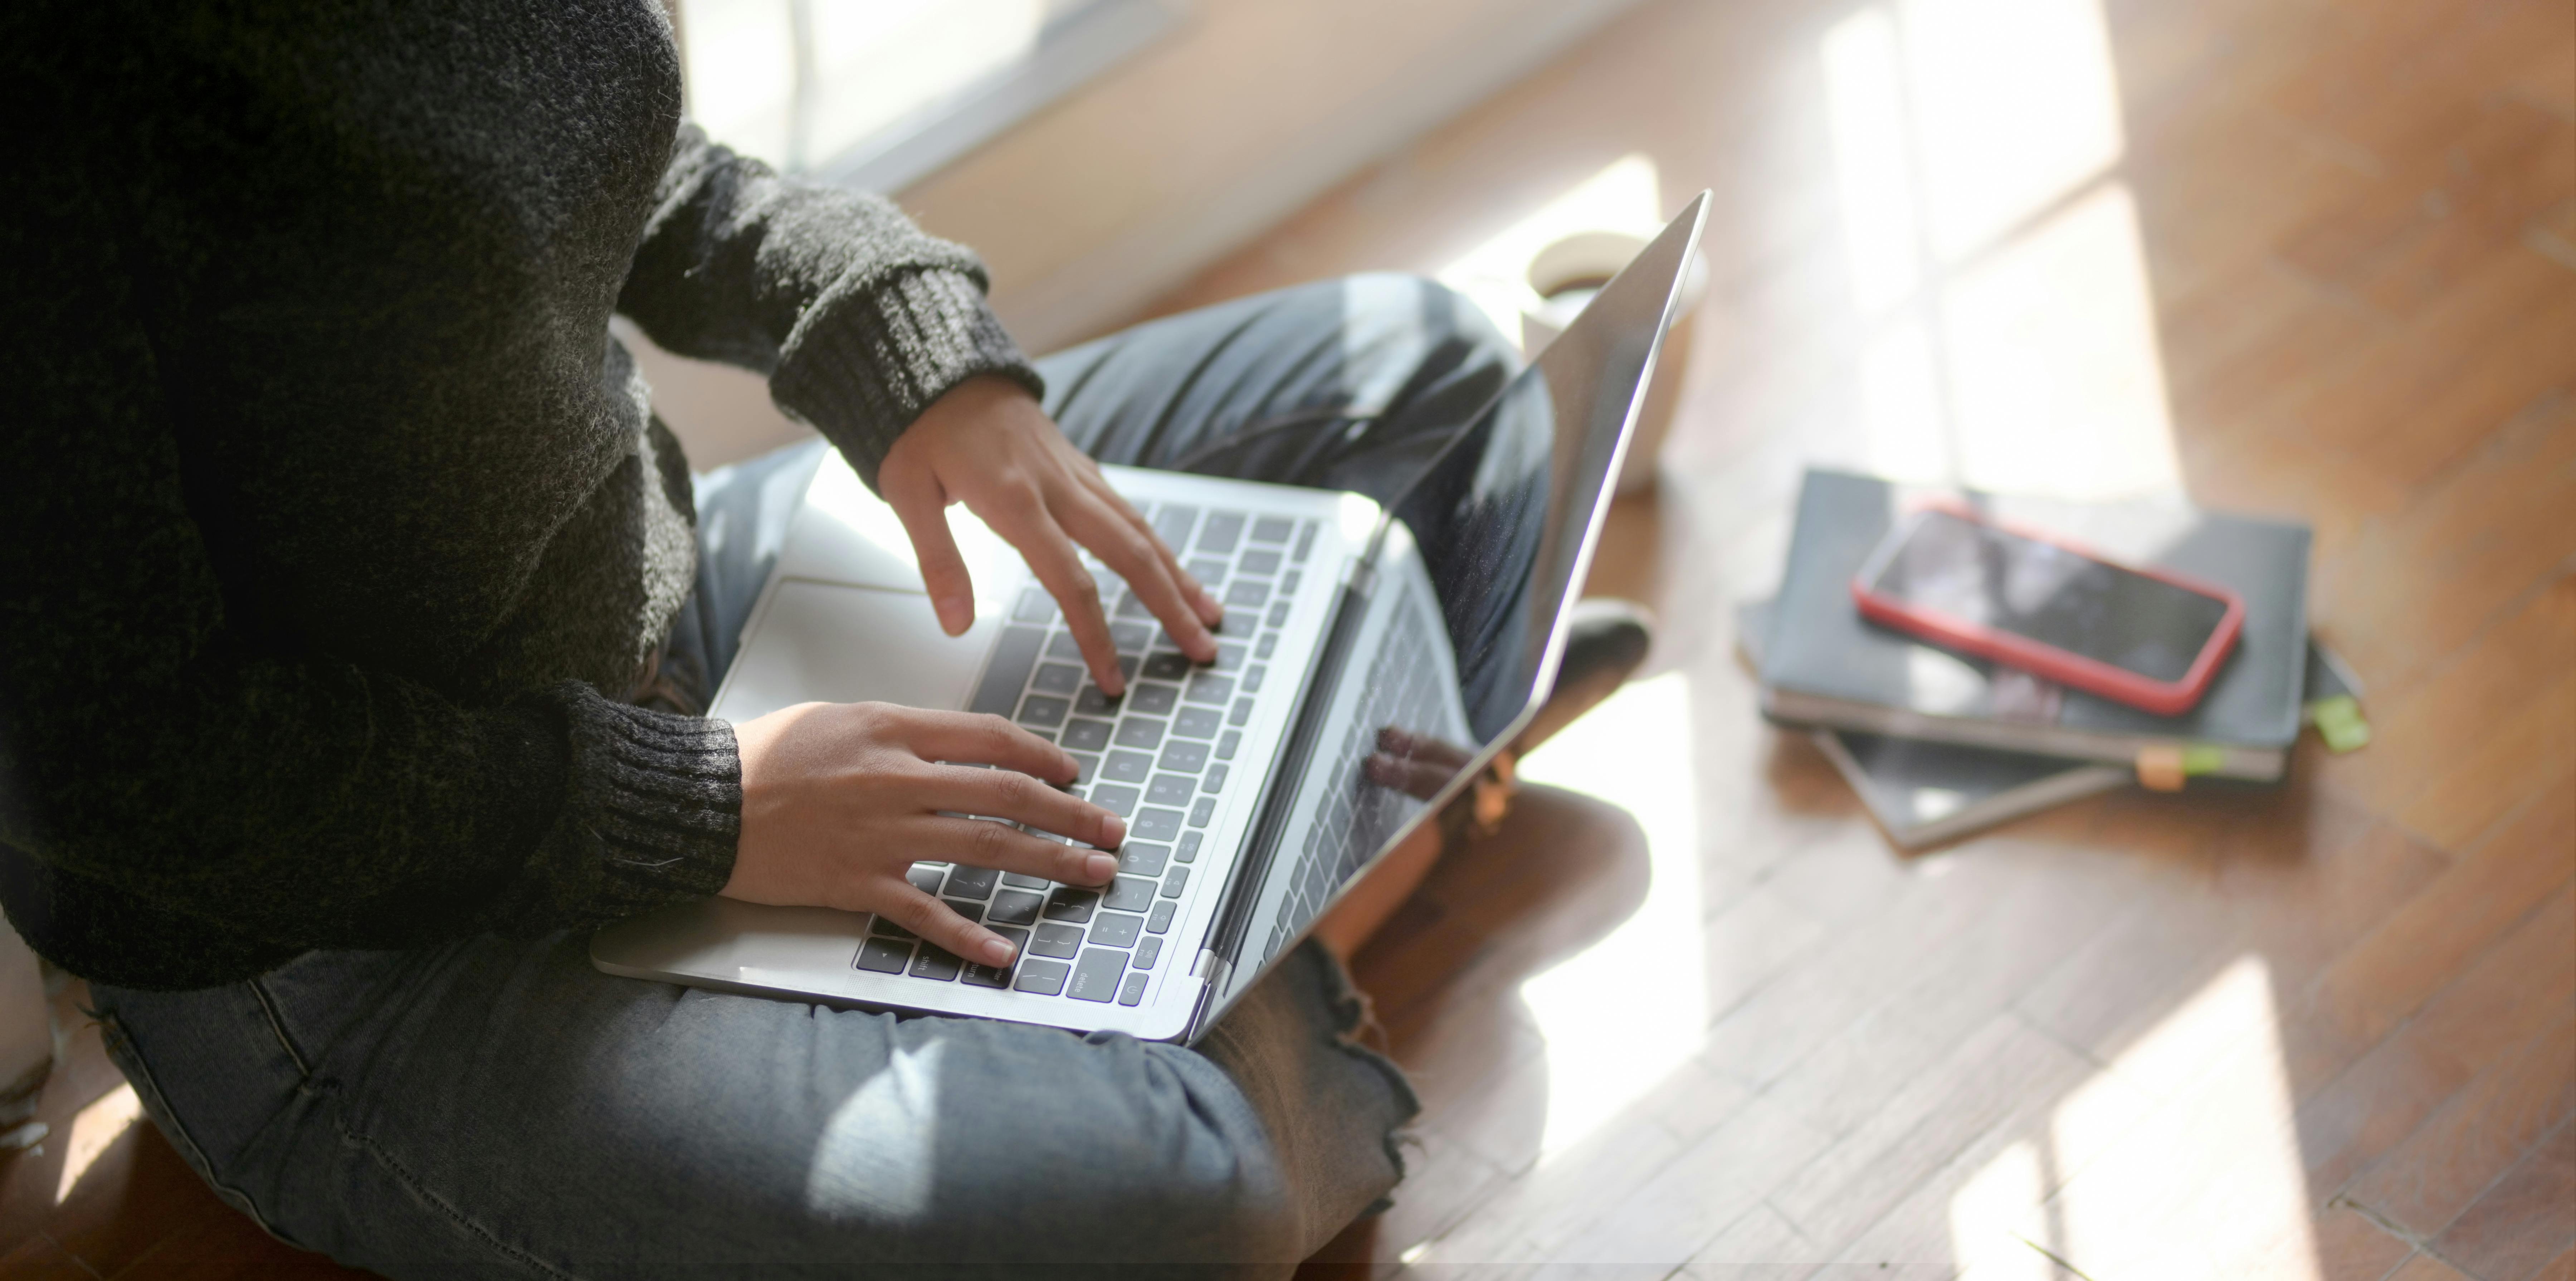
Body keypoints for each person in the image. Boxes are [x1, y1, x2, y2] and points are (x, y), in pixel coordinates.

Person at [2, 3, 1646, 1276]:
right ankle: (1343, 782)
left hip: (677, 604)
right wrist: (713, 813)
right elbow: (144, 779)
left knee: (1422, 372)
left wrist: (910, 350)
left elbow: (623, 165)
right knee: (1183, 1194)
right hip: (355, 942)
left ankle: (1274, 807)